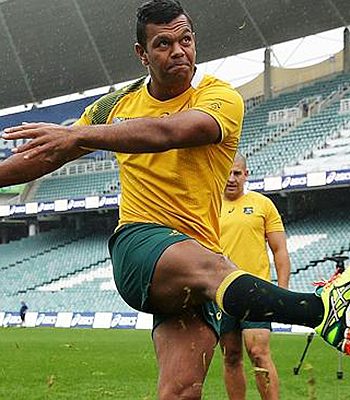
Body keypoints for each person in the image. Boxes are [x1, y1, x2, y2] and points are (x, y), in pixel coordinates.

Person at [0, 1, 349, 398]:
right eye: (163, 44)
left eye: (185, 39)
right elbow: (47, 154)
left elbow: (174, 131)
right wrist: (73, 138)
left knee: (182, 391)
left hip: (196, 258)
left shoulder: (220, 97)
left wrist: (80, 135)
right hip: (142, 245)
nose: (178, 51)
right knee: (214, 269)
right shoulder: (113, 107)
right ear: (141, 54)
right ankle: (319, 310)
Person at [219, 153, 290, 400]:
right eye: (227, 172)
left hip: (256, 292)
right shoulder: (207, 206)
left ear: (246, 174)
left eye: (237, 173)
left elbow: (280, 251)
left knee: (259, 352)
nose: (231, 178)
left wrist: (282, 293)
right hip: (221, 293)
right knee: (231, 356)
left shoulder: (263, 204)